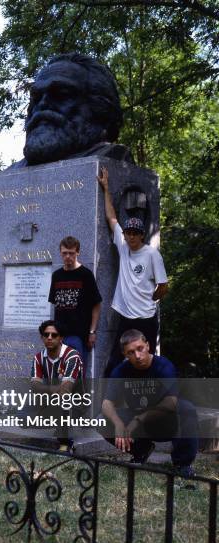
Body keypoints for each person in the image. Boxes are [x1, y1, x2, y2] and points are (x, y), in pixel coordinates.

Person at [97, 167, 169, 374]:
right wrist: (106, 188)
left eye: (134, 234)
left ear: (141, 235)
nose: (129, 237)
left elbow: (163, 286)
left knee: (147, 363)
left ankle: (151, 402)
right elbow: (111, 219)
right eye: (127, 233)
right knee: (115, 362)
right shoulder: (123, 245)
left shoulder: (151, 254)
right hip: (126, 317)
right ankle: (106, 401)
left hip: (146, 319)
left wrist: (148, 298)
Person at [10, 53, 133, 168]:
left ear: (101, 109)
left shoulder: (113, 161)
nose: (42, 104)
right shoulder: (9, 175)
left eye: (61, 95)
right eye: (36, 98)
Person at [102, 329, 198, 477]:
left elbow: (171, 403)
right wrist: (118, 423)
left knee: (186, 409)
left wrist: (139, 419)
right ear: (125, 355)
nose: (137, 356)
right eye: (131, 352)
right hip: (139, 422)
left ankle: (183, 464)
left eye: (140, 349)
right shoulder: (120, 371)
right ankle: (140, 450)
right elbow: (106, 403)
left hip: (165, 421)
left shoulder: (163, 366)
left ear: (147, 345)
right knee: (100, 420)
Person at [49, 236, 102, 369]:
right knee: (58, 373)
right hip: (58, 335)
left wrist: (92, 332)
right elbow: (56, 305)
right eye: (64, 253)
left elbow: (96, 304)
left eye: (71, 253)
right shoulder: (56, 275)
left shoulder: (86, 274)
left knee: (75, 374)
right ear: (60, 253)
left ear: (77, 252)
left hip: (78, 335)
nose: (67, 256)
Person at [30, 320, 83, 450]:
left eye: (54, 335)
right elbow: (35, 386)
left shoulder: (72, 356)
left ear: (61, 338)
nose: (49, 338)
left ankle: (65, 443)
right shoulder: (39, 357)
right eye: (46, 334)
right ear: (42, 337)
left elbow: (67, 389)